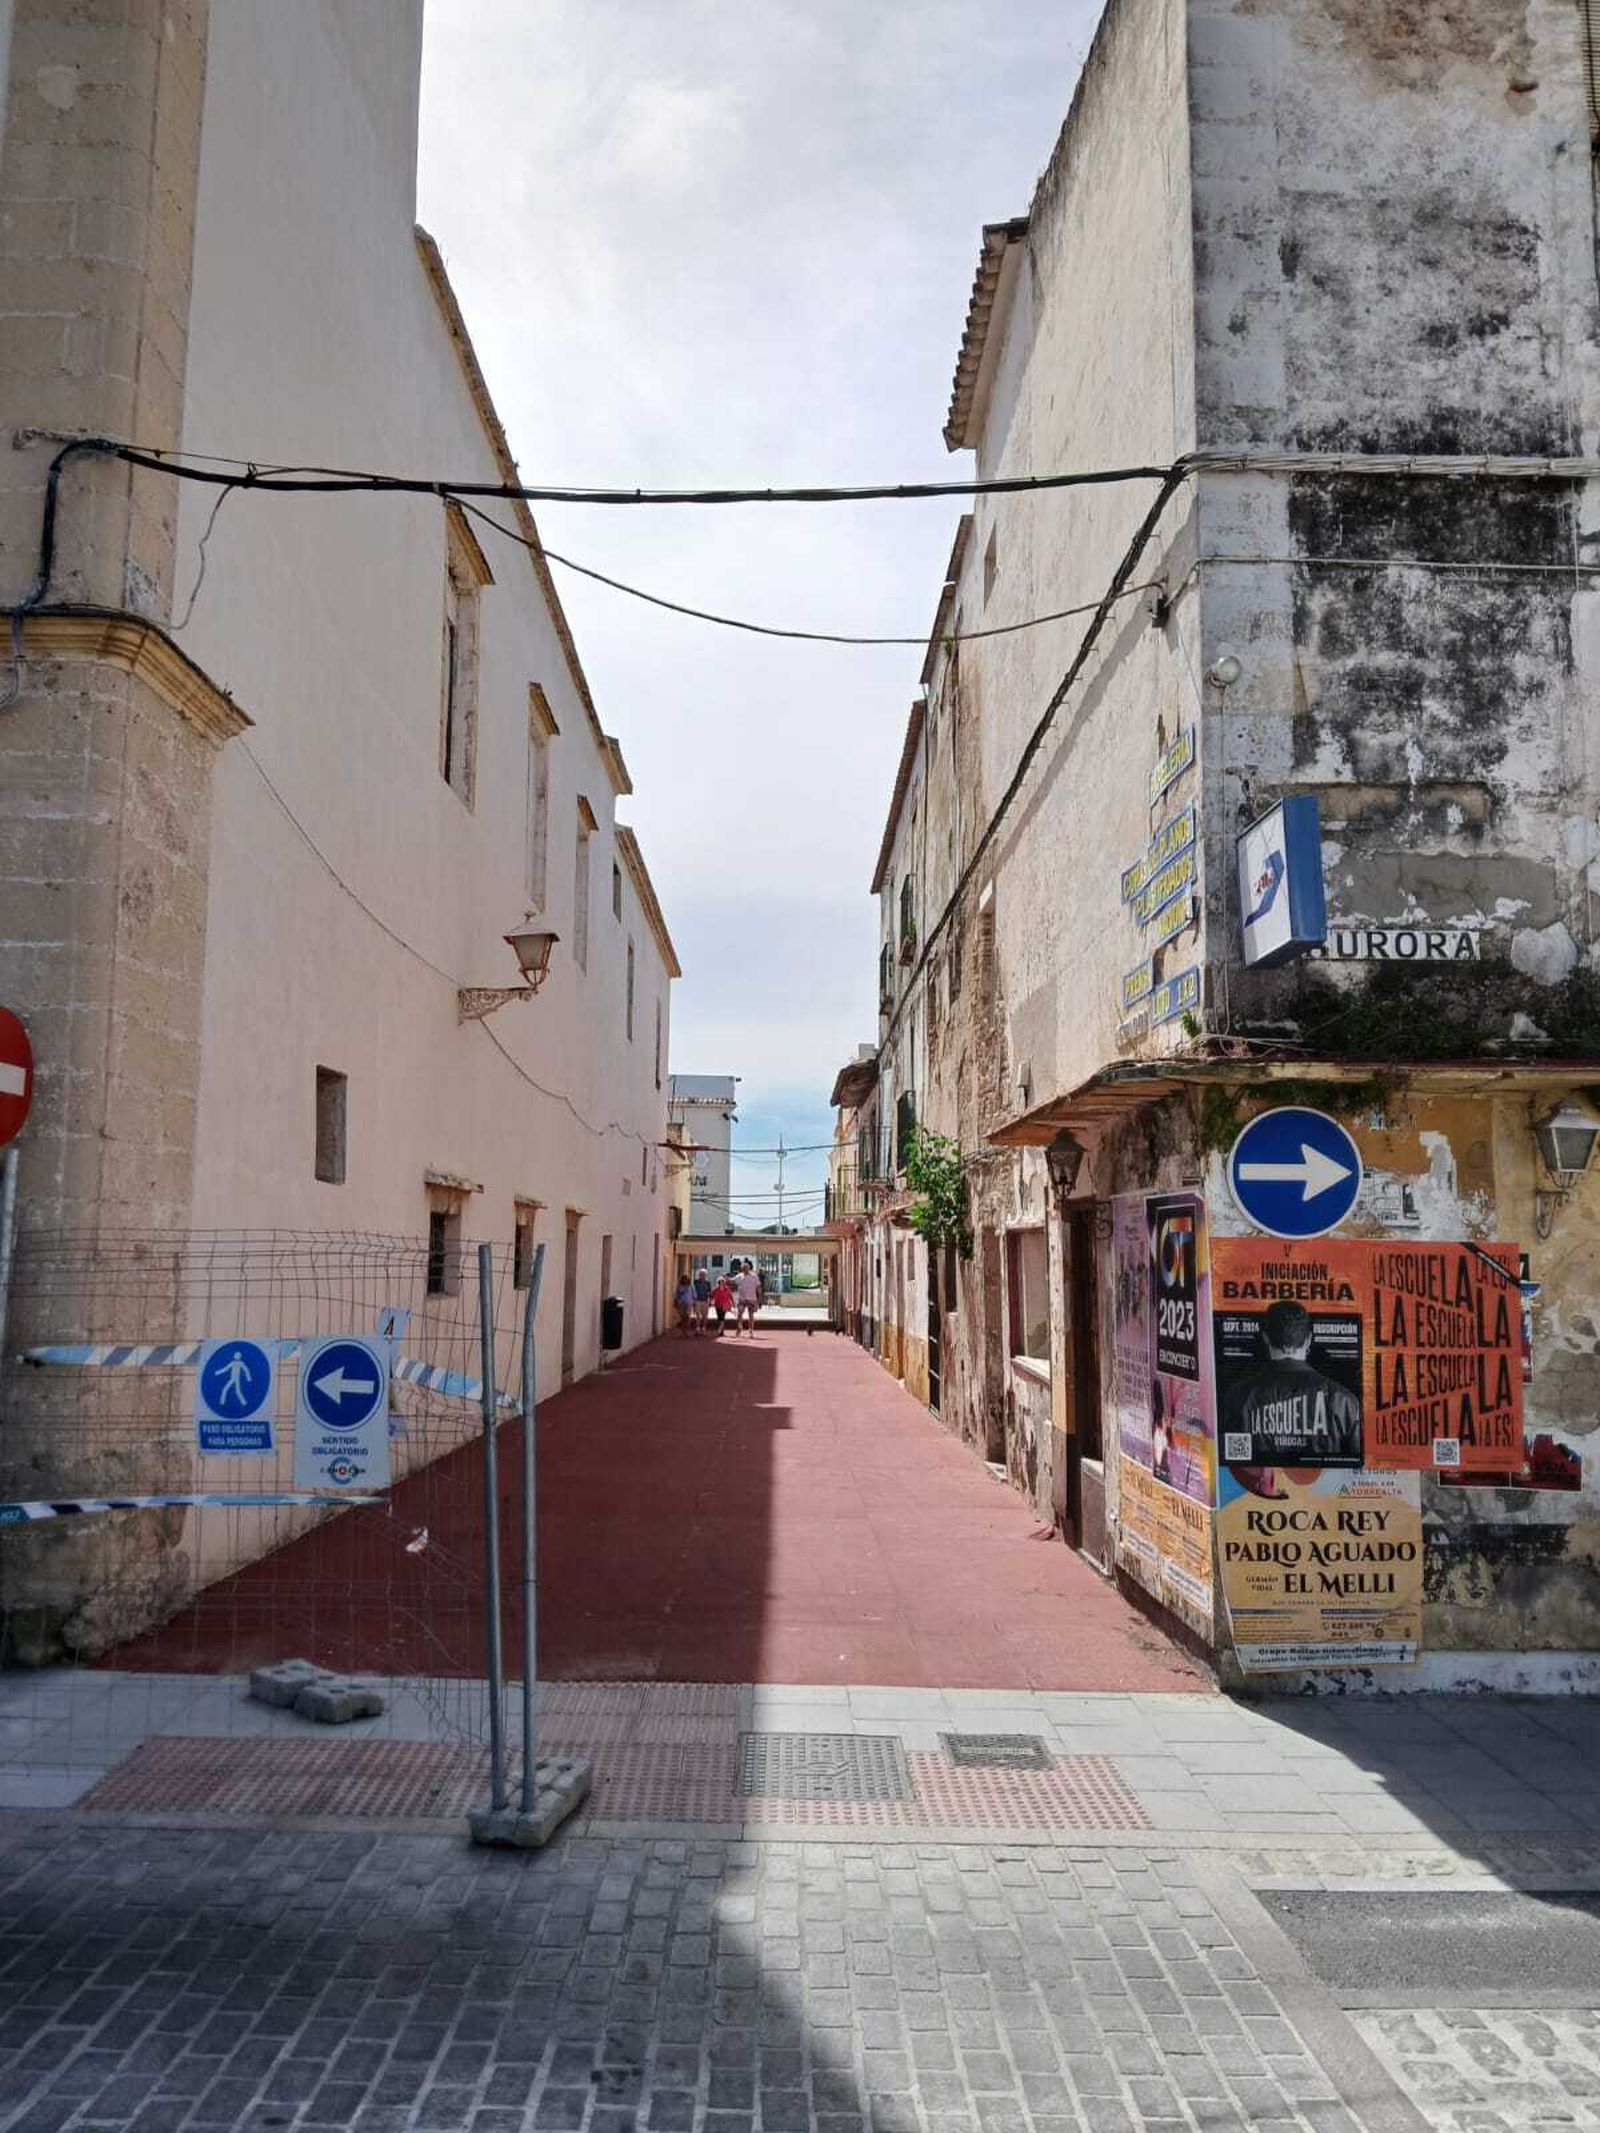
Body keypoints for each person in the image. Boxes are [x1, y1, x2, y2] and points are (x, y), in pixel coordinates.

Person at [1222, 1299, 1362, 1465]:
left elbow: (1232, 1466)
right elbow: (1357, 1470)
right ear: (1309, 1339)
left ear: (1266, 1339)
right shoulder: (1343, 1400)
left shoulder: (1238, 1397)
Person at [735, 1260, 761, 1335]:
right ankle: (739, 1328)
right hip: (742, 1299)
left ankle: (751, 1330)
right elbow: (732, 1281)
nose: (744, 1270)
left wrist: (759, 1299)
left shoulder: (754, 1276)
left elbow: (758, 1287)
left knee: (751, 1315)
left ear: (749, 1268)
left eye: (746, 1268)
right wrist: (726, 1278)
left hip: (751, 1299)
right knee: (739, 1313)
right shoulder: (740, 1276)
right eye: (743, 1268)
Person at [692, 1267, 712, 1335]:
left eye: (703, 1274)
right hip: (697, 1300)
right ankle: (697, 1328)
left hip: (705, 1301)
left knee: (705, 1316)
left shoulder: (708, 1283)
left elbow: (709, 1292)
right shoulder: (696, 1282)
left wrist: (710, 1301)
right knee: (697, 1315)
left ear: (706, 1275)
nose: (702, 1275)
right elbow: (693, 1291)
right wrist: (693, 1301)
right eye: (701, 1274)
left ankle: (704, 1328)